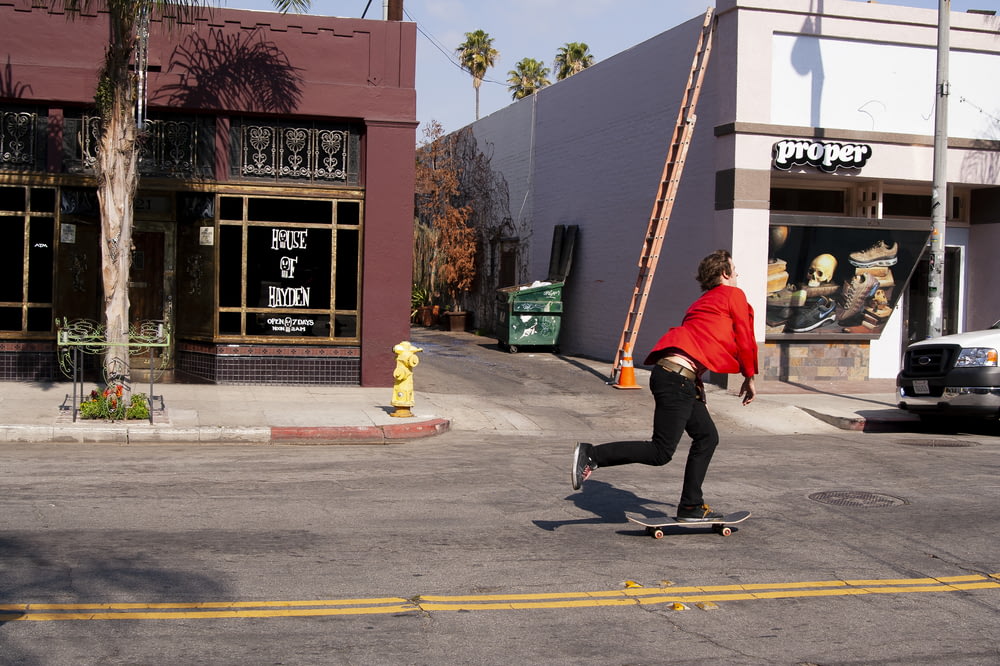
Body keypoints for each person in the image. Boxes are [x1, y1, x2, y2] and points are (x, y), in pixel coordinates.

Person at [571, 249, 758, 521]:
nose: (738, 274)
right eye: (735, 269)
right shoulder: (733, 295)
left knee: (707, 436)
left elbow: (696, 345)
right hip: (677, 378)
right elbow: (744, 334)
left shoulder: (703, 303)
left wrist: (697, 388)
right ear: (725, 274)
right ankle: (592, 454)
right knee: (660, 452)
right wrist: (749, 375)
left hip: (678, 377)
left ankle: (691, 506)